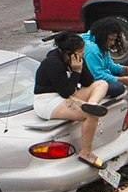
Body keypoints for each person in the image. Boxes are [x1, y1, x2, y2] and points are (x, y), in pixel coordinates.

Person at [33, 32, 111, 168]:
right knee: (91, 115)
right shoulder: (53, 63)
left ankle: (91, 104)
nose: (83, 53)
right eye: (80, 51)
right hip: (49, 100)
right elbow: (65, 92)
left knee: (101, 84)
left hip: (68, 95)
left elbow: (89, 81)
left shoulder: (73, 58)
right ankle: (86, 152)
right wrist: (75, 72)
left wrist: (80, 65)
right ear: (68, 52)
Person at [82, 22, 128, 105]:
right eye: (110, 40)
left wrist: (125, 68)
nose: (112, 43)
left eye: (114, 40)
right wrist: (120, 79)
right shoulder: (91, 49)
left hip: (98, 75)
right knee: (118, 87)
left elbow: (109, 64)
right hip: (90, 80)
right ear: (102, 36)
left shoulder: (101, 44)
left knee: (125, 72)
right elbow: (96, 75)